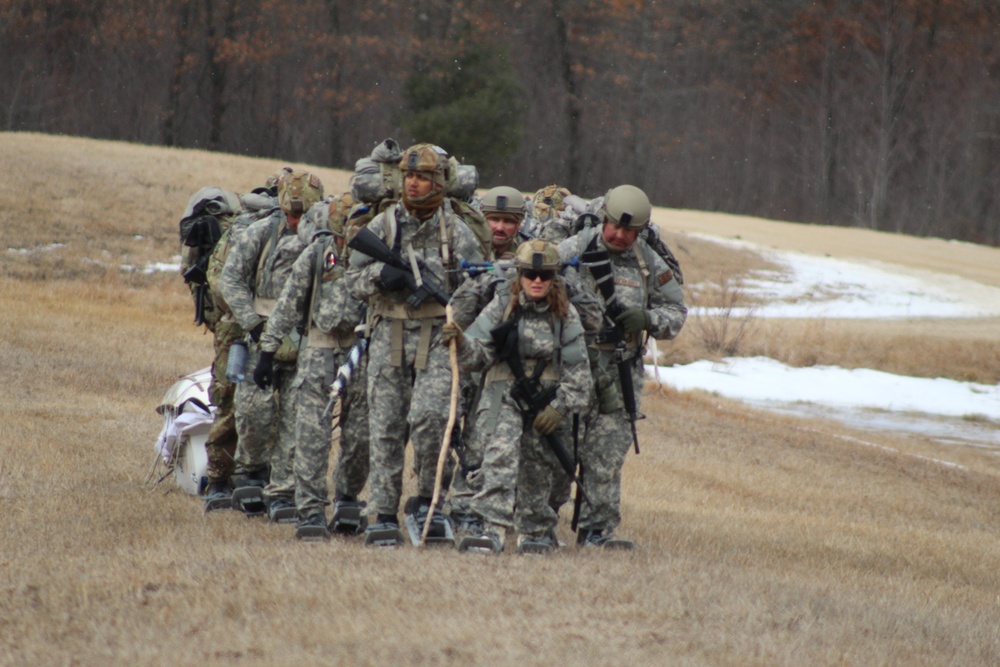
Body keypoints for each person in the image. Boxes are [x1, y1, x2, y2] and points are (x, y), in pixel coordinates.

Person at [345, 143, 485, 546]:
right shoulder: (385, 225)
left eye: (422, 176)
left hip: (438, 338)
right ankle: (384, 513)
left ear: (439, 183)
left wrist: (450, 305)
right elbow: (352, 280)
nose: (413, 183)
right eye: (408, 176)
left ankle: (427, 502)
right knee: (385, 427)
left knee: (430, 422)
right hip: (388, 334)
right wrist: (381, 277)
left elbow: (477, 287)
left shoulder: (456, 231)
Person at [442, 239, 593, 553]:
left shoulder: (566, 314)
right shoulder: (501, 305)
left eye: (545, 275)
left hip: (546, 401)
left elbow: (579, 375)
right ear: (519, 275)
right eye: (529, 274)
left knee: (539, 466)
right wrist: (459, 339)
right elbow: (476, 353)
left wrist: (559, 407)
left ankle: (534, 532)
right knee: (499, 456)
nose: (537, 281)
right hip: (502, 395)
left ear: (554, 278)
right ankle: (490, 529)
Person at [557, 184, 687, 548]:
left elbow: (676, 312)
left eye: (628, 231)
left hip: (621, 369)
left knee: (606, 456)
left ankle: (597, 530)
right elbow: (535, 284)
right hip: (571, 365)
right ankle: (538, 523)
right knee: (556, 450)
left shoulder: (648, 262)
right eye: (613, 226)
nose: (618, 235)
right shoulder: (574, 248)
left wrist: (646, 318)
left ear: (640, 231)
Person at [255, 192, 370, 540]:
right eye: (342, 233)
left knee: (361, 435)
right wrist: (267, 350)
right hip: (318, 351)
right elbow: (288, 304)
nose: (346, 240)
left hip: (363, 353)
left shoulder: (376, 259)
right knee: (311, 437)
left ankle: (348, 499)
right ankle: (310, 510)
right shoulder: (317, 256)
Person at [219, 169, 324, 522]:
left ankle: (283, 490)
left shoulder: (325, 241)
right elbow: (230, 278)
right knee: (252, 414)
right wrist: (251, 323)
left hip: (306, 340)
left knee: (296, 420)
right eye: (292, 215)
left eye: (304, 215)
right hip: (258, 335)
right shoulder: (260, 233)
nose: (297, 222)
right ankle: (251, 473)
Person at [177, 186, 244, 511]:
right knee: (230, 397)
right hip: (234, 323)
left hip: (241, 322)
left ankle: (243, 475)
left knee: (237, 398)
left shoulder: (243, 233)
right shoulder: (227, 233)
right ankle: (220, 478)